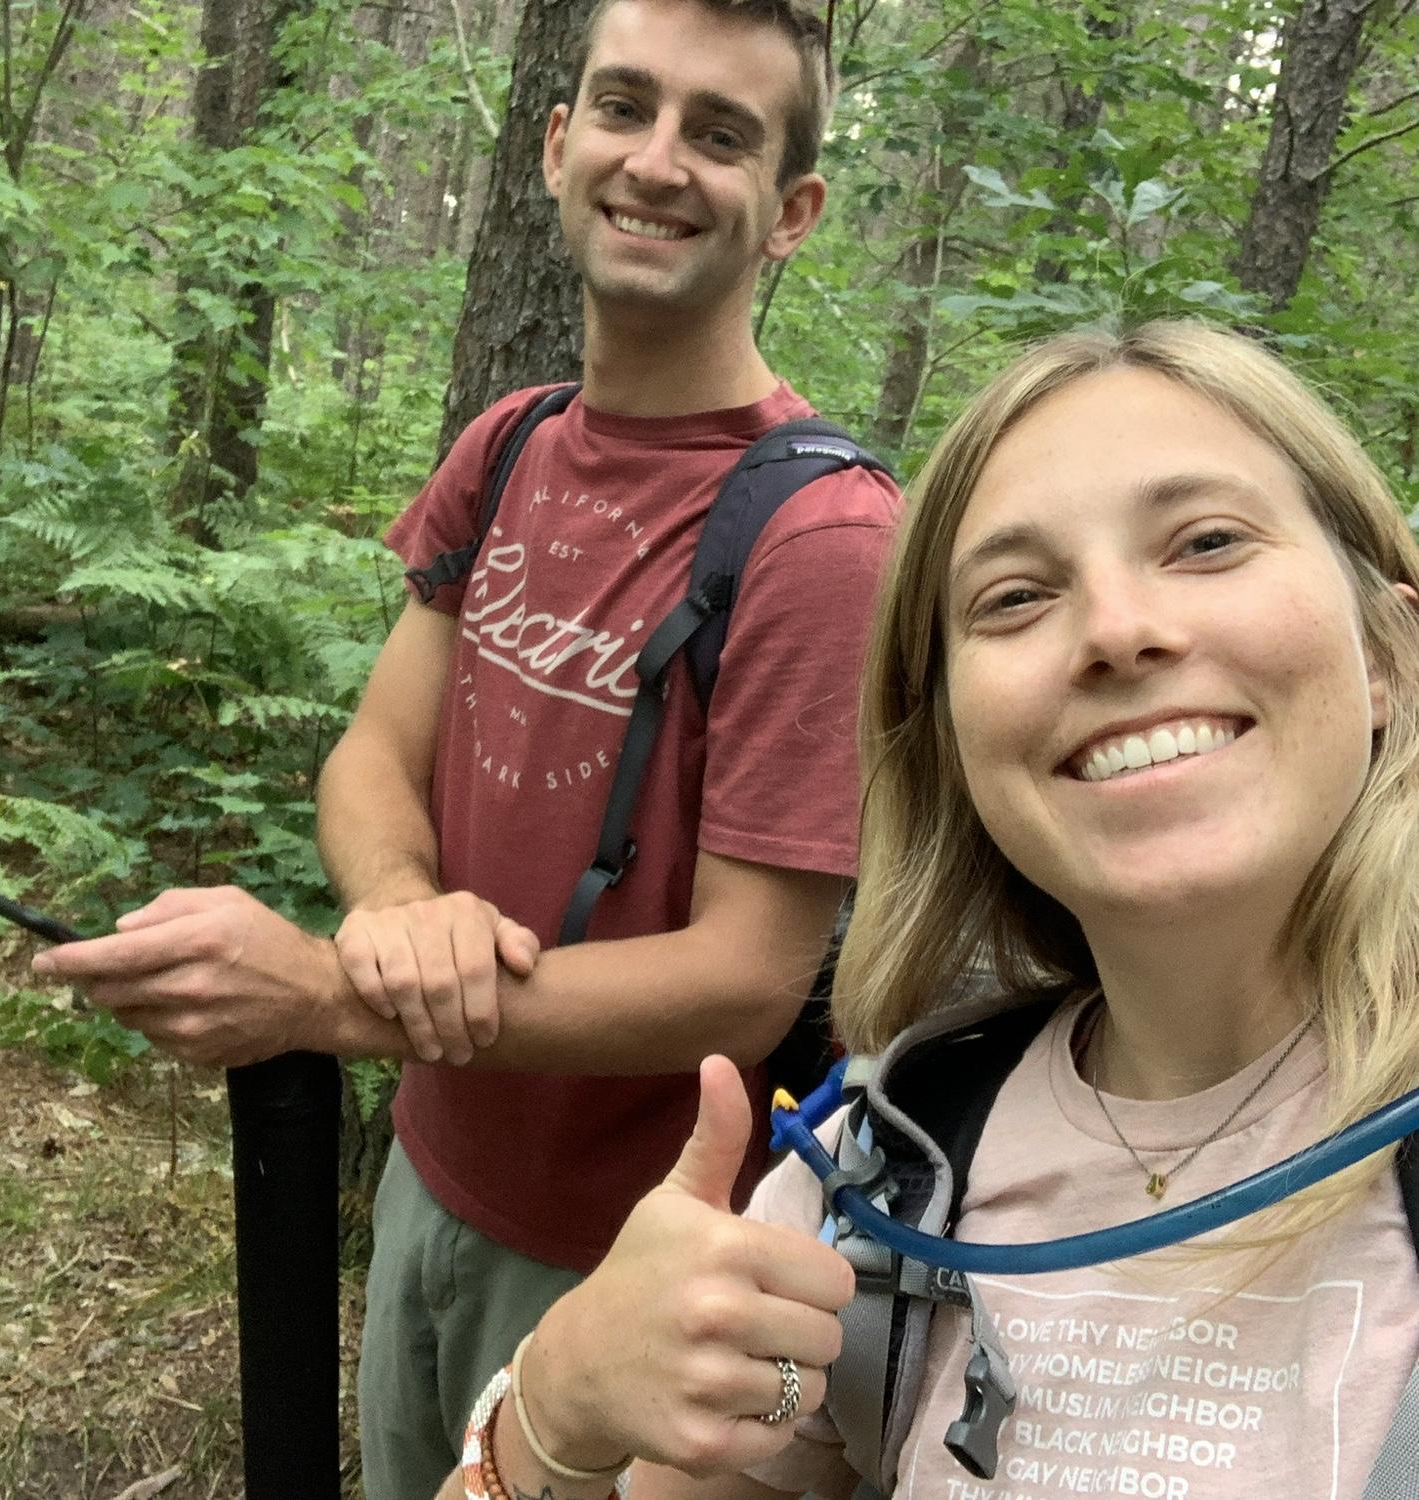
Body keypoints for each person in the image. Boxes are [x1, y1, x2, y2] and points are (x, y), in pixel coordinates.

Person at [32, 2, 900, 1496]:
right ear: (559, 149)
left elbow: (747, 975)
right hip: (436, 1175)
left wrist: (324, 996)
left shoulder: (825, 539)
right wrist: (392, 919)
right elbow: (376, 751)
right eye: (623, 108)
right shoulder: (509, 445)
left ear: (792, 213)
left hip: (648, 1252)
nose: (659, 161)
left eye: (722, 132)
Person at [429, 318, 1419, 1500]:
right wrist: (557, 1408)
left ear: (1389, 656)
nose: (1114, 630)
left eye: (1206, 541)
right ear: (948, 743)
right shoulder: (881, 1164)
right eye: (1013, 598)